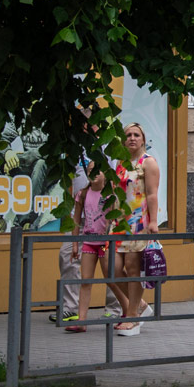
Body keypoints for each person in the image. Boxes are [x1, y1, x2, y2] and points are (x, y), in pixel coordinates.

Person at [51, 107, 122, 324]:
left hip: (105, 216)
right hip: (81, 214)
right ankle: (70, 309)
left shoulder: (109, 147)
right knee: (68, 255)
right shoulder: (75, 149)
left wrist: (113, 217)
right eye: (82, 123)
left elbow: (115, 180)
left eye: (90, 123)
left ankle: (115, 308)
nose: (86, 127)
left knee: (111, 264)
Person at [66, 161, 130, 332]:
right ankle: (81, 321)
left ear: (105, 173)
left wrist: (112, 241)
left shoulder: (110, 195)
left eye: (97, 170)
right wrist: (74, 244)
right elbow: (76, 220)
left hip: (105, 243)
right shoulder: (83, 194)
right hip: (88, 242)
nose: (93, 174)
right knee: (86, 280)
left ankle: (127, 311)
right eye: (89, 171)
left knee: (110, 279)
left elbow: (116, 219)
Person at [113, 122, 160, 336]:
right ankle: (139, 304)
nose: (132, 138)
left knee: (133, 268)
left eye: (136, 135)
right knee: (112, 270)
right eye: (128, 135)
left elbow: (152, 193)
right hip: (119, 222)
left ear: (143, 139)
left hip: (139, 222)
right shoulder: (121, 163)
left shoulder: (148, 163)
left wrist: (153, 222)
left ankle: (132, 317)